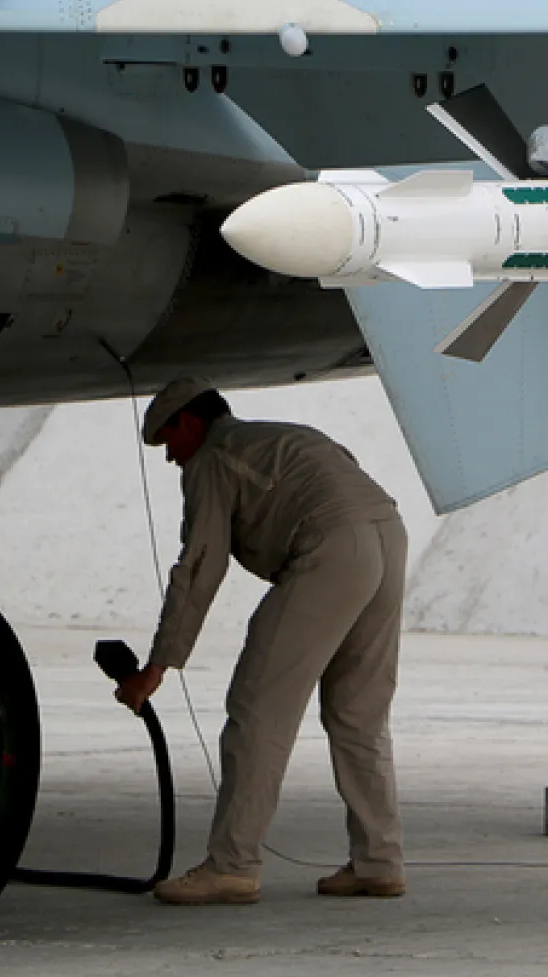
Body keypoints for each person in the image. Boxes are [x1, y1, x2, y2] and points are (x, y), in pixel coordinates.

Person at [115, 374, 409, 905]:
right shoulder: (283, 435)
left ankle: (232, 865)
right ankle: (379, 861)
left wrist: (156, 667)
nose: (170, 459)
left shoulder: (212, 457)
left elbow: (199, 567)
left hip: (331, 547)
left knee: (258, 710)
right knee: (359, 714)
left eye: (167, 443)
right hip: (388, 533)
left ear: (189, 422)